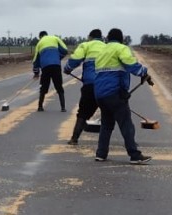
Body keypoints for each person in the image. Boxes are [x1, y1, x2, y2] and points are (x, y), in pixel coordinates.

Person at [92, 29, 153, 164]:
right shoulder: (121, 48)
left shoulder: (102, 51)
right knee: (126, 125)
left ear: (108, 38)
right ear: (121, 39)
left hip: (100, 94)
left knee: (106, 125)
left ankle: (101, 154)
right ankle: (134, 155)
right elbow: (131, 64)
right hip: (114, 93)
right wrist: (144, 71)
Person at [63, 28, 106, 144]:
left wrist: (67, 69)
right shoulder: (107, 47)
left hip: (90, 85)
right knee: (112, 113)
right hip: (106, 85)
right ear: (101, 38)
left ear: (90, 37)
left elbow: (75, 59)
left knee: (83, 112)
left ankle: (74, 139)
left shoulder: (85, 45)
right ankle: (128, 142)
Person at [32, 31, 69, 111]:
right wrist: (58, 57)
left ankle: (40, 107)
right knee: (59, 86)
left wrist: (36, 73)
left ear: (40, 37)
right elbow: (65, 50)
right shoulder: (55, 38)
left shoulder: (39, 43)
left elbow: (36, 60)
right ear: (46, 35)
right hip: (56, 65)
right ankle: (63, 107)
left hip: (45, 67)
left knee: (44, 87)